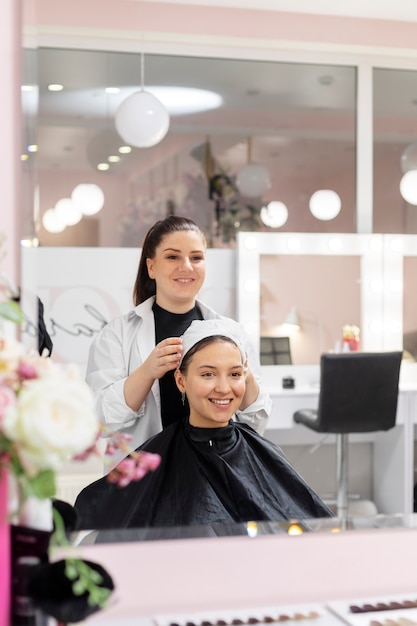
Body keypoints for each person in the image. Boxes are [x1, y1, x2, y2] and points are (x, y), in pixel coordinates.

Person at [75, 319, 332, 529]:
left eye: (234, 374)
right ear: (181, 381)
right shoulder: (160, 456)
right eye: (208, 374)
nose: (223, 388)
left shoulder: (263, 452)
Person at [86, 216, 271, 468]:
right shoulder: (117, 334)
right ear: (151, 267)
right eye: (173, 257)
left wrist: (242, 375)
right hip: (143, 479)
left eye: (196, 258)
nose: (186, 266)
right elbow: (98, 421)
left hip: (216, 472)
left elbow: (257, 420)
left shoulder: (232, 333)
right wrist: (147, 372)